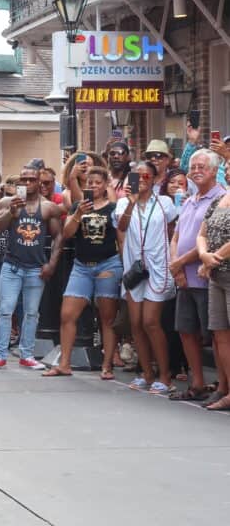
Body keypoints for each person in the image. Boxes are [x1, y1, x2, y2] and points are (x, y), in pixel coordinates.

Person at [42, 166, 122, 379]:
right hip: (81, 266)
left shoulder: (113, 208)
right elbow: (67, 233)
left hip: (107, 264)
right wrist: (78, 213)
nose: (93, 186)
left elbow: (120, 237)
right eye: (90, 182)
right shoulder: (78, 206)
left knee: (107, 318)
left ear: (105, 185)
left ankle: (107, 365)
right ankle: (64, 364)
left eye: (98, 182)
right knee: (67, 315)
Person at [0, 165, 63, 370]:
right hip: (11, 265)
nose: (27, 183)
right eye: (24, 179)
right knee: (6, 310)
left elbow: (58, 237)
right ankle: (0, 355)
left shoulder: (48, 207)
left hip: (35, 268)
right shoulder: (6, 202)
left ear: (39, 182)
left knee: (31, 313)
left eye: (31, 180)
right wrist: (11, 213)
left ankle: (26, 354)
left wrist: (51, 264)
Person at [115, 161, 177, 394]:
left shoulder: (165, 203)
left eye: (146, 177)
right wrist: (131, 203)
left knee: (151, 322)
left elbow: (173, 227)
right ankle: (147, 373)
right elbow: (121, 226)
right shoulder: (123, 202)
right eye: (136, 177)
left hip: (158, 268)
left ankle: (165, 375)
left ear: (153, 179)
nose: (141, 181)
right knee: (136, 324)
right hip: (134, 270)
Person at [167, 150, 224, 401]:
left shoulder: (221, 199)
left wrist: (179, 262)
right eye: (194, 166)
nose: (197, 170)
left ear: (214, 171)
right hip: (184, 278)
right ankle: (197, 384)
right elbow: (176, 236)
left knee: (215, 336)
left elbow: (210, 239)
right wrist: (176, 266)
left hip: (206, 276)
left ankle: (224, 386)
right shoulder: (189, 200)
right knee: (186, 330)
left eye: (203, 166)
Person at [196, 187, 230, 410]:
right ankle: (227, 390)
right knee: (220, 334)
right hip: (216, 275)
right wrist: (203, 254)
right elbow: (202, 233)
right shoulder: (221, 197)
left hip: (220, 268)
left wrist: (212, 259)